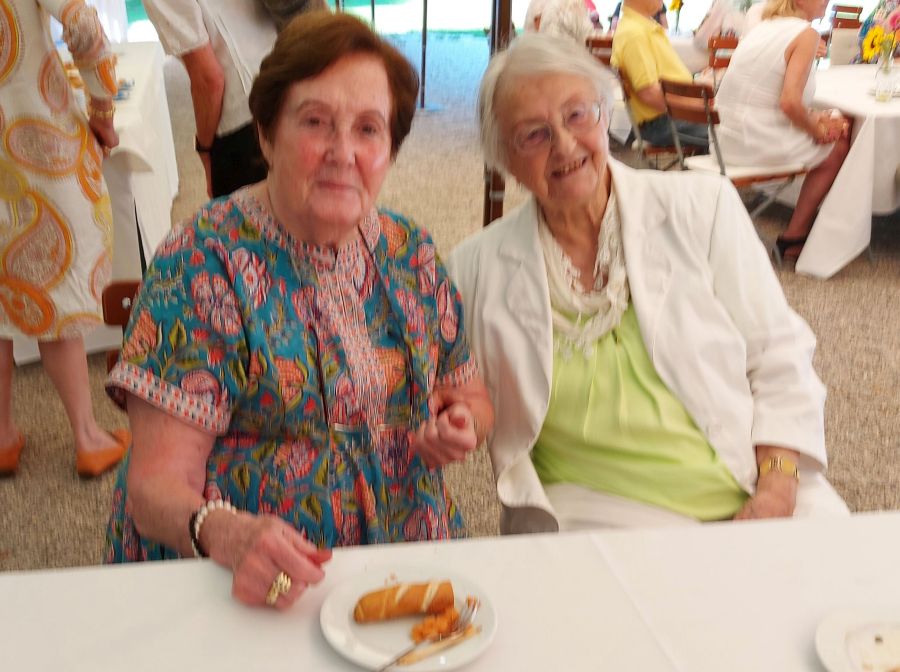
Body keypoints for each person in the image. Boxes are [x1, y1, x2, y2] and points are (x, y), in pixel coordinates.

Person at [103, 12, 494, 609]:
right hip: (247, 572)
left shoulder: (410, 252)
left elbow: (473, 397)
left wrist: (461, 425)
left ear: (390, 150)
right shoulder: (201, 264)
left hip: (398, 555)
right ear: (265, 135)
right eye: (315, 122)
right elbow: (154, 488)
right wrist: (225, 533)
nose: (344, 152)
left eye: (369, 129)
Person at [447, 33, 848, 534]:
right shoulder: (472, 270)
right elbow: (447, 394)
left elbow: (778, 353)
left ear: (604, 114)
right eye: (534, 134)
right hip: (597, 514)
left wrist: (777, 485)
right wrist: (456, 421)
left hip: (757, 480)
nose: (565, 145)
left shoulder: (703, 207)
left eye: (577, 115)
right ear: (504, 159)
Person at [0, 0, 130, 478]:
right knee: (55, 290)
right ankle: (87, 437)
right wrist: (102, 108)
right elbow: (81, 23)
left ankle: (1, 436)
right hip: (36, 143)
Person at [715, 0, 850, 261]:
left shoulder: (764, 27)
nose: (827, 0)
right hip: (754, 143)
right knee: (840, 141)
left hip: (725, 142)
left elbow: (767, 96)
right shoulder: (805, 33)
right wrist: (818, 130)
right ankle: (795, 235)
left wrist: (816, 118)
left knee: (830, 122)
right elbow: (789, 103)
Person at [142, 0, 279, 197]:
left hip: (245, 108)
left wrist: (204, 149)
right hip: (286, 73)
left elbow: (209, 80)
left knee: (251, 212)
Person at [611, 0, 709, 151]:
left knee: (734, 124)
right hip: (663, 122)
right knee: (733, 131)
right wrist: (695, 106)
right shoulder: (634, 33)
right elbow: (649, 93)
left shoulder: (640, 28)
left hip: (668, 118)